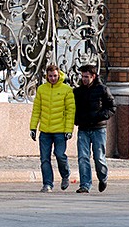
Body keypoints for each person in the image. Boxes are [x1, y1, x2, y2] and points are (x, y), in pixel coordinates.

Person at [29, 63, 75, 192]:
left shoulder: (67, 90)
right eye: (50, 76)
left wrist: (68, 130)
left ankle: (65, 175)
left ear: (59, 75)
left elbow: (70, 112)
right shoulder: (42, 89)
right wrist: (33, 127)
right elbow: (36, 110)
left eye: (55, 76)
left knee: (60, 155)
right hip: (45, 131)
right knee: (44, 159)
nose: (53, 78)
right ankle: (47, 184)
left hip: (60, 131)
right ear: (47, 76)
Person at [73, 63, 115, 193]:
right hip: (83, 128)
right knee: (83, 157)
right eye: (83, 76)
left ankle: (103, 177)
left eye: (87, 77)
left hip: (98, 128)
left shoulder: (102, 90)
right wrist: (77, 120)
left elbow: (112, 107)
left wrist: (100, 116)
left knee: (99, 157)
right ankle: (85, 185)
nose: (84, 79)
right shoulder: (78, 91)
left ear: (93, 76)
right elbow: (73, 109)